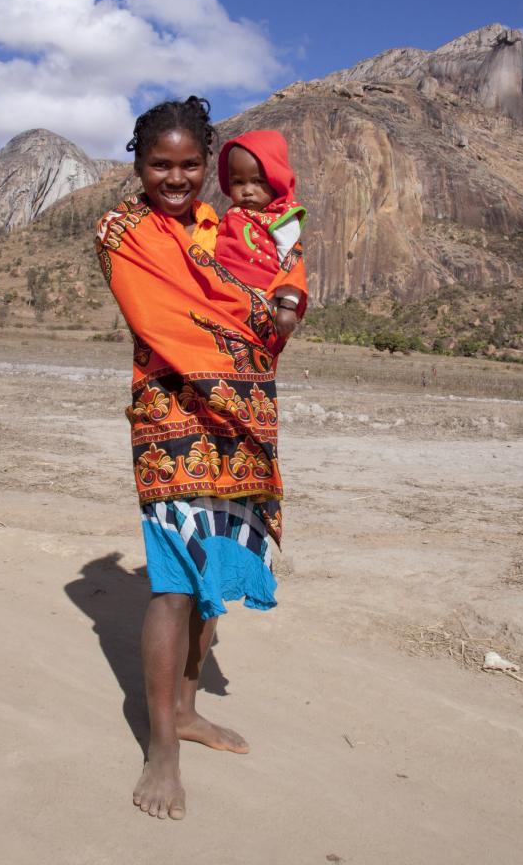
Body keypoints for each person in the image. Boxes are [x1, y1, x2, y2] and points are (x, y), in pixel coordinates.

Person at [95, 97, 305, 822]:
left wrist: (281, 307)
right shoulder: (123, 229)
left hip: (242, 419)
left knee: (212, 564)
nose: (175, 178)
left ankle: (185, 708)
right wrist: (258, 321)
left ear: (206, 166)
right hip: (171, 417)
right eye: (160, 164)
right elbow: (167, 318)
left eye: (189, 165)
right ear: (138, 163)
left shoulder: (226, 228)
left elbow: (280, 294)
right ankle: (162, 747)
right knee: (173, 584)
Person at [215, 130, 307, 340]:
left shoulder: (281, 218)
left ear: (276, 180)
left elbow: (291, 263)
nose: (247, 190)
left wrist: (288, 305)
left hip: (264, 302)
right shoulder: (233, 214)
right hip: (226, 300)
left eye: (258, 181)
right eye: (238, 182)